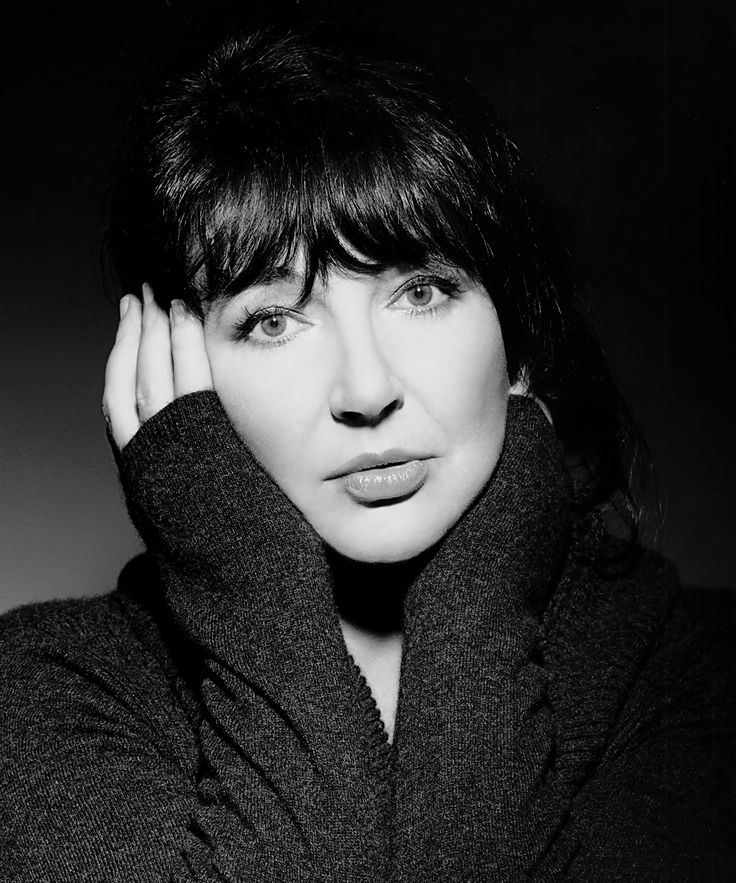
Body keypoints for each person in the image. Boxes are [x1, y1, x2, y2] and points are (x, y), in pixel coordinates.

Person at [1, 23, 733, 881]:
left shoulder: (708, 676)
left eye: (421, 290)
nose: (365, 389)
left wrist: (475, 601)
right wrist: (244, 576)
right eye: (273, 320)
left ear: (519, 332)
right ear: (170, 364)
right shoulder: (48, 689)